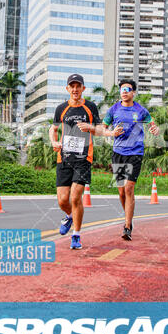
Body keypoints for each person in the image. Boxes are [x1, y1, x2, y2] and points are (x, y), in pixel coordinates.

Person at [49, 74, 121, 249]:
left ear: (83, 89)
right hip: (64, 158)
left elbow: (99, 129)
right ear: (67, 89)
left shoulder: (90, 107)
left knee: (75, 197)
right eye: (71, 86)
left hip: (83, 158)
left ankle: (76, 235)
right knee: (62, 200)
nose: (75, 89)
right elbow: (54, 128)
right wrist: (54, 142)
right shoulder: (61, 108)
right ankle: (71, 216)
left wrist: (92, 128)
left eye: (78, 86)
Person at [102, 79, 159, 241]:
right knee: (121, 191)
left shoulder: (140, 110)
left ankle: (127, 226)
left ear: (133, 92)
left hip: (135, 153)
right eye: (122, 89)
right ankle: (128, 215)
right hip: (118, 153)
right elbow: (102, 129)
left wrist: (155, 129)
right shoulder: (114, 109)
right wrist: (111, 134)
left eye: (128, 89)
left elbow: (152, 123)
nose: (124, 92)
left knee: (129, 189)